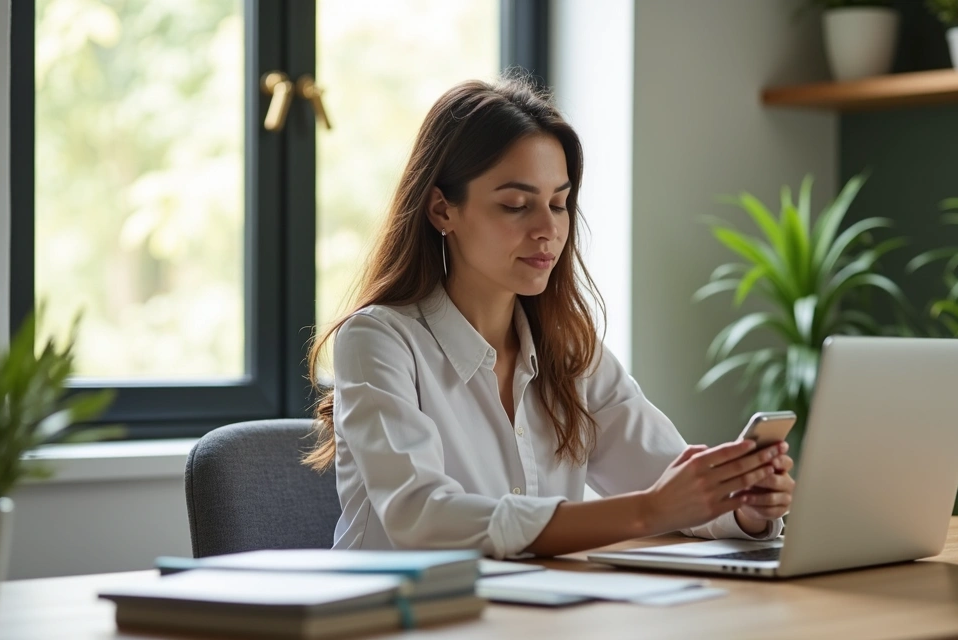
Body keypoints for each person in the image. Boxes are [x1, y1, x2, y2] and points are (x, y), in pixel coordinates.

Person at [303, 75, 795, 560]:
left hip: (532, 615)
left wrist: (743, 505)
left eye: (559, 204)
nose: (548, 230)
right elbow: (422, 516)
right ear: (441, 210)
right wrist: (647, 512)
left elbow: (669, 483)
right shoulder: (377, 340)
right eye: (516, 205)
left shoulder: (571, 352)